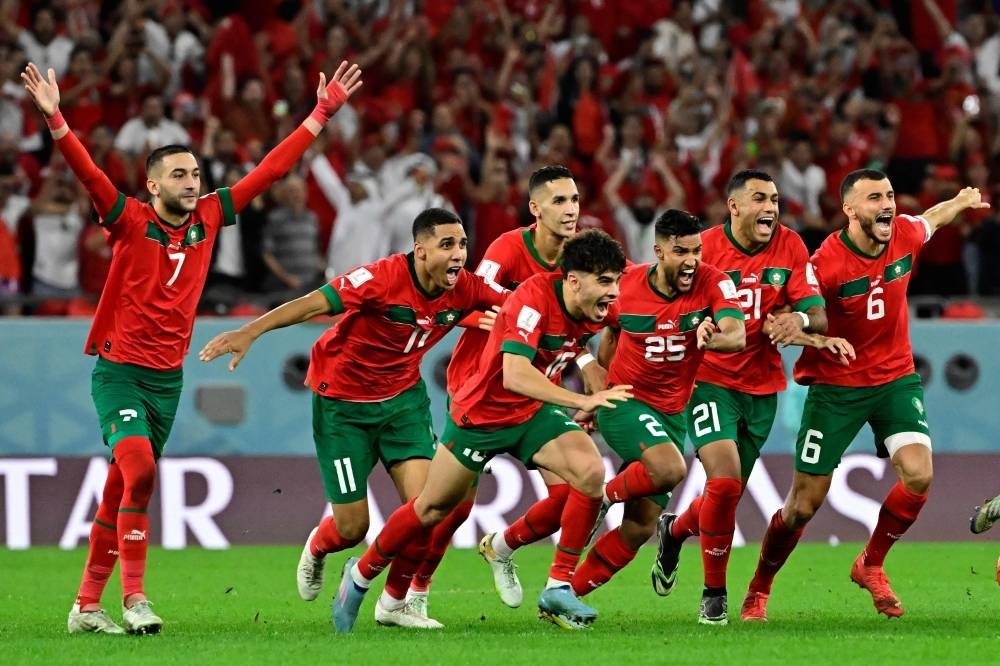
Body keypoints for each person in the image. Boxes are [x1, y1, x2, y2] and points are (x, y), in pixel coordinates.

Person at [20, 59, 363, 635]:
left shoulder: (209, 217)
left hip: (167, 379)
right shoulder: (128, 220)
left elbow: (269, 172)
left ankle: (85, 606)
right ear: (153, 184)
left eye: (197, 174)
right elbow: (88, 174)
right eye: (179, 175)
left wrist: (320, 113)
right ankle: (134, 600)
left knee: (120, 488)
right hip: (120, 372)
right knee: (139, 466)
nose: (192, 183)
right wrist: (56, 119)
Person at [200, 208, 506, 630]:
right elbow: (312, 303)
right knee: (352, 527)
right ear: (419, 250)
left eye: (463, 245)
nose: (458, 255)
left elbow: (525, 305)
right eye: (447, 245)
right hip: (343, 406)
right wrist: (251, 331)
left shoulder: (466, 288)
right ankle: (319, 547)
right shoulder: (379, 279)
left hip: (403, 405)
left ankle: (394, 604)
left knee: (428, 511)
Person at [330, 229, 632, 633]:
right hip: (481, 415)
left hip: (530, 414)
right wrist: (581, 401)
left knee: (590, 474)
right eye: (605, 282)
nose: (613, 292)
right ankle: (361, 577)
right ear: (573, 280)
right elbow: (515, 374)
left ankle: (559, 584)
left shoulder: (600, 304)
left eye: (616, 281)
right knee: (431, 509)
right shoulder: (532, 299)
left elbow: (639, 319)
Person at [740, 169, 989, 622]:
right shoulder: (826, 263)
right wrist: (794, 325)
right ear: (850, 211)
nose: (887, 205)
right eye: (874, 198)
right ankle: (759, 588)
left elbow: (932, 218)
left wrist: (961, 200)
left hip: (895, 379)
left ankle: (870, 563)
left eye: (891, 195)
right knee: (802, 506)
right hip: (837, 388)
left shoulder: (905, 234)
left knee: (918, 475)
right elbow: (797, 310)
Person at [652, 170, 854, 625]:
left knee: (728, 492)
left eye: (776, 199)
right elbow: (669, 302)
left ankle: (676, 529)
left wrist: (799, 324)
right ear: (734, 206)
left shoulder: (791, 245)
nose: (771, 208)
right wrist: (695, 325)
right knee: (724, 482)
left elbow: (817, 312)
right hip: (707, 379)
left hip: (762, 386)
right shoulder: (700, 248)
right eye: (759, 198)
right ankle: (714, 594)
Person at [410, 164, 606, 615]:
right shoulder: (508, 249)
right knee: (453, 507)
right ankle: (415, 587)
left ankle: (501, 546)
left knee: (576, 491)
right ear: (535, 209)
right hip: (480, 385)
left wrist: (585, 357)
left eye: (575, 199)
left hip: (535, 392)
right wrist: (480, 318)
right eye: (559, 201)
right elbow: (463, 295)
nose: (571, 209)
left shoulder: (579, 258)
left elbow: (572, 319)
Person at [567, 209, 746, 612]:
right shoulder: (625, 286)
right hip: (625, 402)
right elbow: (573, 323)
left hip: (671, 414)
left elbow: (737, 333)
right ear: (659, 251)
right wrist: (589, 369)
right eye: (681, 251)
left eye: (697, 251)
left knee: (638, 527)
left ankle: (565, 594)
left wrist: (713, 336)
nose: (691, 261)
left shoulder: (713, 282)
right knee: (670, 468)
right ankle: (601, 496)